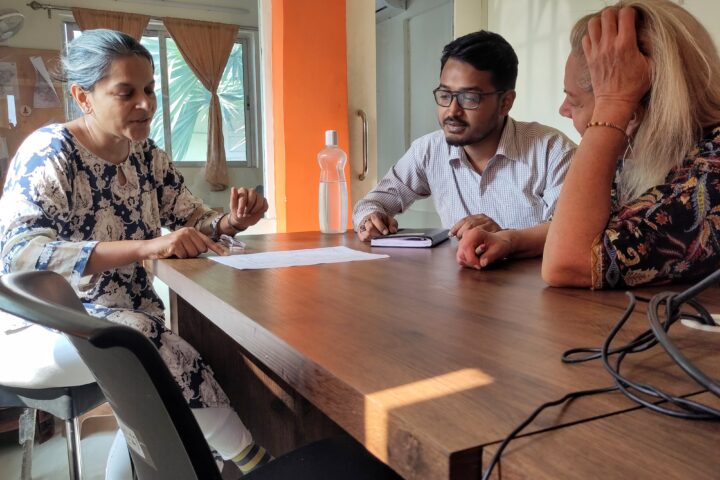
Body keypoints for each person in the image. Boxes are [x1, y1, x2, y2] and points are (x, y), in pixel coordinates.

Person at [0, 29, 271, 474]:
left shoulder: (145, 156)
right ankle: (253, 462)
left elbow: (191, 218)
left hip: (128, 321)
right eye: (126, 92)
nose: (145, 104)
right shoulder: (50, 153)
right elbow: (21, 258)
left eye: (149, 90)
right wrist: (144, 246)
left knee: (148, 355)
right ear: (83, 97)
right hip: (44, 327)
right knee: (142, 342)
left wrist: (231, 222)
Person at [457, 0, 720, 289]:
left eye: (575, 100)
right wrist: (511, 240)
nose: (563, 109)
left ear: (631, 114)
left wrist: (613, 105)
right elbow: (595, 232)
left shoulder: (712, 173)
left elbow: (568, 262)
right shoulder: (641, 159)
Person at [353, 30, 576, 241]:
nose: (452, 111)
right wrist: (369, 219)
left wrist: (506, 237)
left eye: (469, 98)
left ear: (505, 102)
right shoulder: (429, 150)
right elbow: (372, 203)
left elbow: (569, 233)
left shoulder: (552, 151)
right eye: (445, 94)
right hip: (457, 280)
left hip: (532, 281)